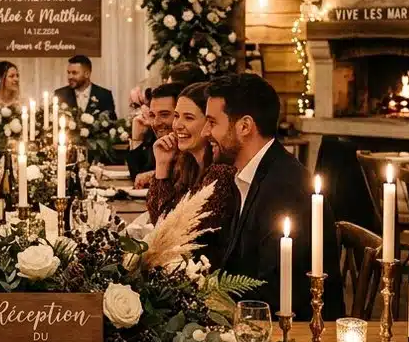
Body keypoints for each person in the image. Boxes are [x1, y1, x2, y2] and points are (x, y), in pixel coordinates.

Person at [205, 73, 340, 321]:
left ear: (244, 126)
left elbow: (272, 292)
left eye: (212, 122)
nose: (205, 132)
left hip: (291, 332)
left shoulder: (285, 189)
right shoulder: (249, 175)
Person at [146, 82, 240, 264]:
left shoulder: (221, 173)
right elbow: (157, 221)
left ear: (209, 124)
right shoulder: (187, 163)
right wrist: (162, 164)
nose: (177, 126)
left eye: (188, 118)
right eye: (176, 116)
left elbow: (171, 234)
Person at [127, 82, 183, 186]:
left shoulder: (193, 148)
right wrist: (136, 139)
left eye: (164, 114)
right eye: (152, 115)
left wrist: (154, 175)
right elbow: (137, 177)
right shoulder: (159, 142)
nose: (156, 123)